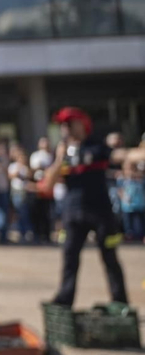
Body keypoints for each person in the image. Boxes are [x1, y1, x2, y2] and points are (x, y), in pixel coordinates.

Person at [44, 107, 130, 307]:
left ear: (81, 124)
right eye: (62, 125)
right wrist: (59, 158)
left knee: (110, 257)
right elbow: (48, 184)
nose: (64, 128)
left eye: (68, 123)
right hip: (73, 213)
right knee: (69, 259)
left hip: (101, 212)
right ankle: (64, 301)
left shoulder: (96, 146)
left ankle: (120, 301)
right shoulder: (63, 151)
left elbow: (120, 155)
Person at [29, 135, 56, 243]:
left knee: (48, 212)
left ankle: (47, 234)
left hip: (49, 185)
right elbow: (32, 170)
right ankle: (38, 234)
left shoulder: (52, 156)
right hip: (37, 185)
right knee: (38, 211)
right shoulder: (35, 155)